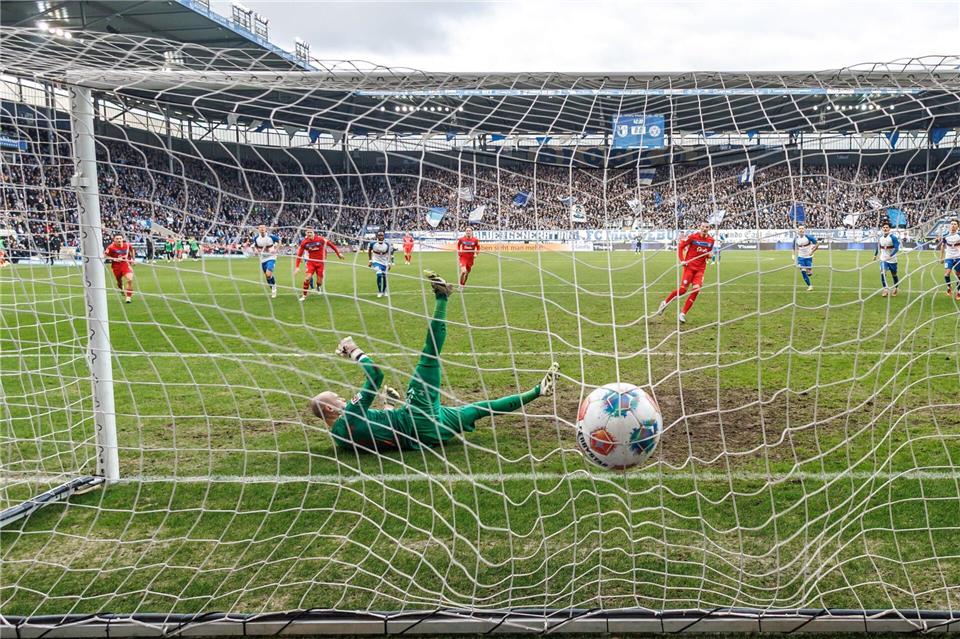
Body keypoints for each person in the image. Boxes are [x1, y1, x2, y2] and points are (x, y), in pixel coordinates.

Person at [310, 271, 559, 452]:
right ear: (331, 409)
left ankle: (538, 391)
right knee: (429, 357)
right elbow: (376, 375)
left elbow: (381, 432)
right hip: (418, 419)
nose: (343, 399)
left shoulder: (340, 438)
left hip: (429, 433)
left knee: (482, 408)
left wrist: (388, 405)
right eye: (338, 398)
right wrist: (353, 350)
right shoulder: (349, 415)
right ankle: (442, 298)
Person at [655, 221, 714, 323]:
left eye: (707, 227)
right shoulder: (692, 237)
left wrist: (709, 255)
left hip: (700, 269)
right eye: (703, 226)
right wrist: (682, 260)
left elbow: (708, 252)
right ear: (700, 227)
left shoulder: (711, 240)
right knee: (683, 290)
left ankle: (682, 314)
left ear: (709, 229)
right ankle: (664, 303)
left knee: (696, 290)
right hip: (689, 267)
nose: (704, 228)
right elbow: (680, 247)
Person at [294, 227, 343, 301]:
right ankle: (304, 295)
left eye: (310, 232)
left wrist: (338, 253)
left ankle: (318, 286)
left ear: (313, 232)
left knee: (319, 281)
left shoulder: (320, 239)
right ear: (306, 233)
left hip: (321, 262)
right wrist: (297, 267)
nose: (309, 234)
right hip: (311, 262)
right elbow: (299, 254)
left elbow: (331, 245)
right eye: (308, 232)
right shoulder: (304, 242)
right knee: (307, 278)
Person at [103, 233, 135, 303]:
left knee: (130, 279)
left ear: (122, 239)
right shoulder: (110, 247)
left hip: (125, 264)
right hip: (116, 266)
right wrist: (113, 259)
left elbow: (132, 250)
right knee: (119, 282)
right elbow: (105, 256)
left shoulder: (127, 245)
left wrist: (133, 259)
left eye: (120, 238)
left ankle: (128, 297)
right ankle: (121, 288)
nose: (119, 240)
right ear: (114, 240)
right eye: (117, 239)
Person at [874, 221, 900, 297]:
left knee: (894, 274)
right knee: (883, 273)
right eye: (884, 227)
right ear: (882, 228)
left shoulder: (893, 237)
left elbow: (897, 248)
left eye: (887, 227)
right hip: (883, 259)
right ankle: (885, 289)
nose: (885, 229)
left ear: (889, 229)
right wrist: (875, 255)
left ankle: (896, 287)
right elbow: (878, 247)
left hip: (892, 260)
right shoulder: (880, 238)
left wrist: (891, 255)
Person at [253, 224, 280, 298]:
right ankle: (272, 287)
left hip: (271, 257)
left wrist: (276, 250)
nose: (262, 229)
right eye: (260, 228)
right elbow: (255, 245)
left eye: (263, 228)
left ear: (266, 229)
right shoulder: (256, 238)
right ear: (258, 229)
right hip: (263, 259)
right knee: (267, 276)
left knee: (268, 274)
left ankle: (274, 288)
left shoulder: (270, 237)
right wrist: (256, 250)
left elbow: (279, 241)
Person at [938, 218, 960, 300]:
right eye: (952, 224)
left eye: (955, 224)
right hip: (949, 256)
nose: (953, 225)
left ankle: (958, 292)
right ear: (949, 226)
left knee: (958, 275)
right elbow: (942, 246)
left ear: (958, 226)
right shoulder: (946, 235)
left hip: (958, 257)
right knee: (946, 274)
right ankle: (949, 287)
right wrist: (941, 258)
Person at [368, 231, 393, 298]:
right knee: (379, 275)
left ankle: (384, 291)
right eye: (379, 235)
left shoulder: (387, 244)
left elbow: (389, 254)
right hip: (376, 261)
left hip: (384, 262)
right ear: (377, 236)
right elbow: (369, 251)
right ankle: (379, 292)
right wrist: (370, 260)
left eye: (382, 235)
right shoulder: (373, 243)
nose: (380, 236)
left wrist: (389, 263)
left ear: (384, 236)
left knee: (384, 276)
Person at [793, 225, 819, 291]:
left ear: (804, 230)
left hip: (808, 256)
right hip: (800, 256)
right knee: (803, 271)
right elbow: (794, 247)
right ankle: (810, 286)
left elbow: (817, 244)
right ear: (798, 230)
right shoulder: (796, 238)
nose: (801, 230)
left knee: (809, 273)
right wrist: (793, 255)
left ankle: (809, 270)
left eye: (802, 228)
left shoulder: (808, 237)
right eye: (800, 229)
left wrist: (812, 251)